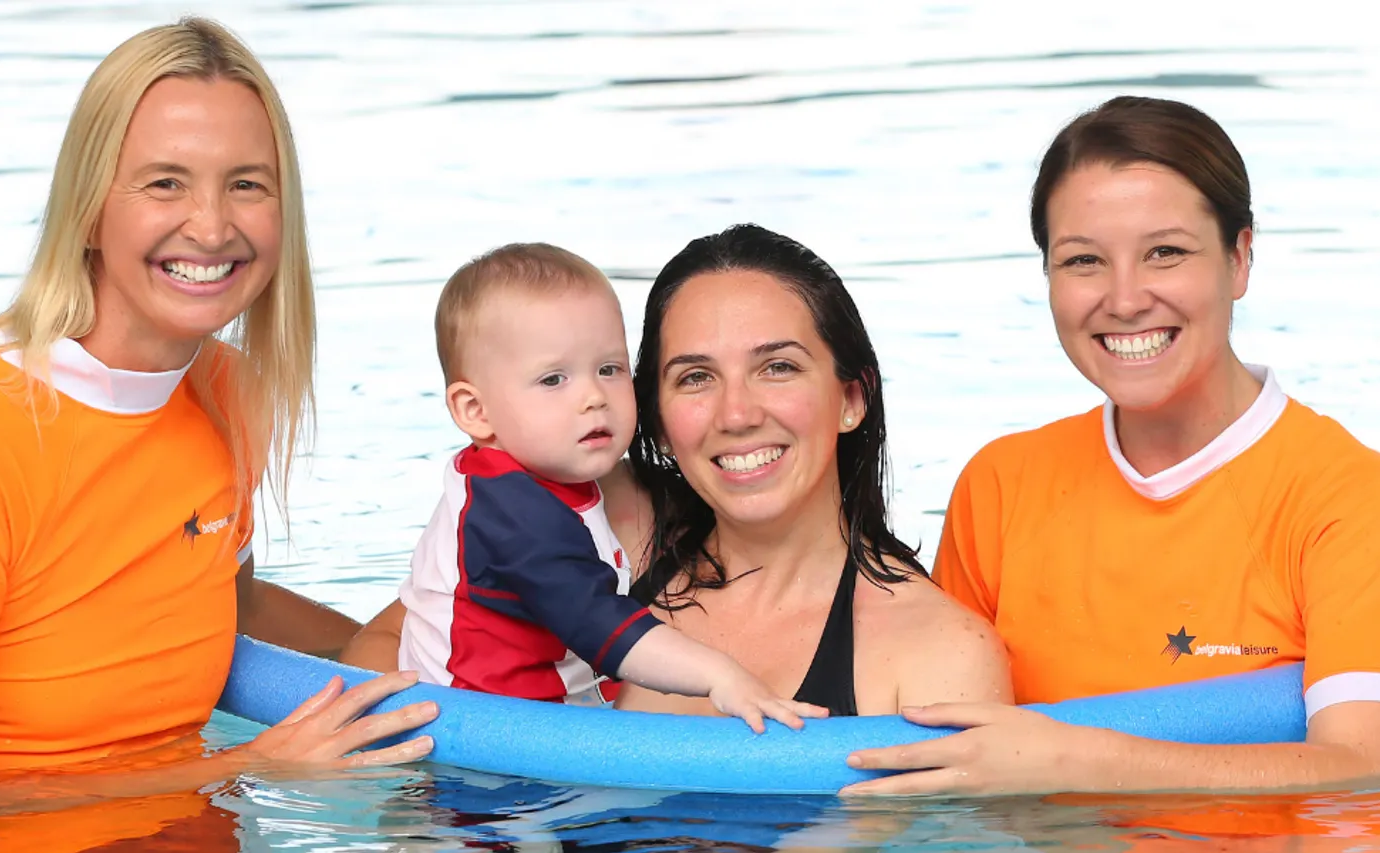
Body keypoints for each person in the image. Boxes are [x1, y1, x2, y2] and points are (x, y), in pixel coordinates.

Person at [0, 18, 437, 840]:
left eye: (247, 184)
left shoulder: (229, 393)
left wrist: (433, 657)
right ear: (86, 210)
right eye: (165, 183)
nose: (212, 226)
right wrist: (250, 764)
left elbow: (225, 603)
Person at [842, 95, 1380, 797]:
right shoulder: (1002, 485)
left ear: (1241, 258)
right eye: (1083, 261)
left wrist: (1076, 759)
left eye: (1165, 252)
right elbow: (935, 749)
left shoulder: (1353, 500)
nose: (1125, 299)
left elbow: (1364, 766)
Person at [349, 224, 1008, 720]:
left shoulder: (936, 653)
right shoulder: (596, 524)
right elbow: (403, 634)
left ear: (852, 398)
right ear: (657, 418)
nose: (737, 412)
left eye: (777, 366)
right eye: (695, 377)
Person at [397, 242, 827, 733]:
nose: (594, 398)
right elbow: (600, 625)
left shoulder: (517, 482)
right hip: (480, 759)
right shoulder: (514, 515)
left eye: (609, 368)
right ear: (476, 411)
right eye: (553, 379)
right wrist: (721, 675)